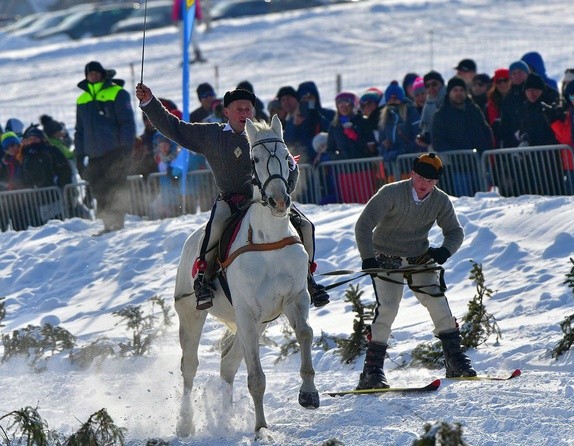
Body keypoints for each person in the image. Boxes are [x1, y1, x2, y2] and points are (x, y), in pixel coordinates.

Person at [135, 83, 330, 310]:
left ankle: (308, 280)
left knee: (305, 226)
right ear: (227, 112)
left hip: (267, 202)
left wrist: (283, 192)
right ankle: (204, 281)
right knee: (215, 228)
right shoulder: (212, 135)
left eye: (248, 109)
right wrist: (150, 103)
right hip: (232, 200)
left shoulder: (267, 136)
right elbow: (175, 128)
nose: (244, 114)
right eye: (239, 109)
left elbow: (291, 168)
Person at [354, 153, 476, 389]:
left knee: (438, 301)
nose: (423, 184)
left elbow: (455, 232)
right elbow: (364, 225)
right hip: (385, 259)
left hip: (419, 258)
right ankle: (372, 372)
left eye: (429, 181)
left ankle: (455, 361)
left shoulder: (440, 201)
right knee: (388, 308)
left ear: (436, 182)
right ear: (411, 174)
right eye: (419, 177)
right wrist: (368, 258)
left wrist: (445, 251)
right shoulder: (391, 193)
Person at [75, 61, 136, 233]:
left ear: (102, 74)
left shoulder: (118, 93)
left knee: (115, 187)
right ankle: (107, 224)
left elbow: (127, 124)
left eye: (96, 72)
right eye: (90, 73)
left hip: (114, 152)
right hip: (94, 156)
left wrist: (126, 149)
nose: (93, 76)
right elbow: (79, 131)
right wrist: (79, 156)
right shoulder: (82, 99)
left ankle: (118, 223)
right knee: (98, 190)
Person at [431, 76, 493, 196]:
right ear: (449, 93)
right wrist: (456, 155)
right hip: (457, 168)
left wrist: (485, 150)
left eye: (461, 90)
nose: (458, 93)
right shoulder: (441, 114)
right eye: (455, 90)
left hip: (478, 164)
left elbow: (486, 131)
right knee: (465, 199)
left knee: (484, 199)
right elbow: (437, 141)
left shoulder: (474, 109)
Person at [378, 80, 422, 162]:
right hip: (393, 168)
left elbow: (419, 138)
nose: (392, 101)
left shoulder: (410, 112)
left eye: (395, 98)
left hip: (412, 163)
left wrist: (402, 151)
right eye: (389, 99)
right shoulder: (385, 118)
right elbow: (381, 143)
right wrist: (385, 149)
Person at [500, 60, 529, 148]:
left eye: (520, 72)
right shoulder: (507, 100)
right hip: (515, 146)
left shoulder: (536, 91)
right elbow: (505, 126)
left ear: (527, 73)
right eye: (514, 73)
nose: (517, 76)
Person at [417, 70, 447, 149]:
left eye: (434, 84)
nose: (431, 88)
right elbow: (426, 129)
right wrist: (422, 137)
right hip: (436, 149)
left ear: (442, 84)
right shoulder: (428, 104)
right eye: (427, 86)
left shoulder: (449, 100)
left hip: (452, 148)